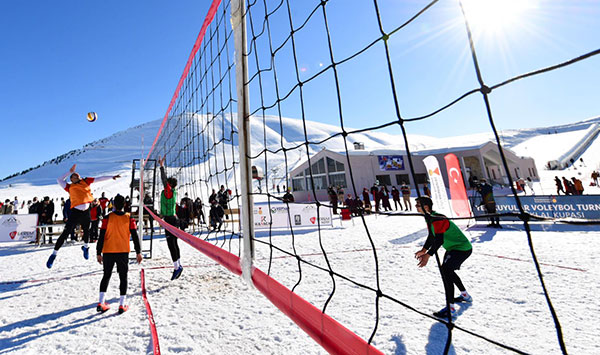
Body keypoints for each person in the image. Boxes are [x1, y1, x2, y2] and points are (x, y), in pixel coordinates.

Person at [46, 164, 120, 269]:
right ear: (71, 179)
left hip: (86, 211)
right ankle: (54, 254)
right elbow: (59, 179)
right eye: (74, 176)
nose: (77, 176)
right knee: (65, 233)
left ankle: (85, 247)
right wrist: (69, 171)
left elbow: (99, 179)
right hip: (75, 212)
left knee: (87, 231)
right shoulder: (69, 187)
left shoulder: (86, 181)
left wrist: (112, 177)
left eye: (78, 175)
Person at [414, 196, 473, 318]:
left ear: (426, 207)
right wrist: (424, 250)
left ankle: (450, 308)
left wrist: (428, 255)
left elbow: (439, 240)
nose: (415, 207)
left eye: (418, 205)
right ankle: (465, 296)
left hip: (461, 248)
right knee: (448, 271)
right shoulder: (429, 217)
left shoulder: (437, 218)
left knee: (446, 271)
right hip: (453, 248)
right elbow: (432, 236)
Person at [96, 194, 142, 314]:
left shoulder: (107, 218)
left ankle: (101, 302)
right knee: (123, 277)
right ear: (125, 205)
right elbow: (135, 236)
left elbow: (101, 236)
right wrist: (138, 252)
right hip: (122, 251)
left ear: (114, 205)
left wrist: (98, 252)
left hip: (108, 251)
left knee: (106, 276)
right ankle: (122, 304)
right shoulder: (129, 218)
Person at [158, 156, 183, 280]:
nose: (165, 184)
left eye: (167, 183)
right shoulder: (170, 192)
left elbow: (163, 180)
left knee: (171, 244)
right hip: (171, 218)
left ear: (170, 185)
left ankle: (176, 267)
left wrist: (161, 166)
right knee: (174, 243)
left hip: (171, 220)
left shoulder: (169, 191)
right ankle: (178, 265)